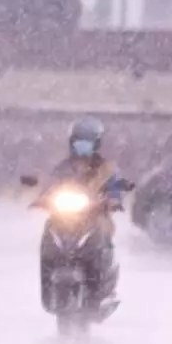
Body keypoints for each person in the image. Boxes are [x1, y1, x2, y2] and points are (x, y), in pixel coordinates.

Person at [36, 116, 127, 308]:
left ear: (96, 144)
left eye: (86, 142)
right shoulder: (62, 168)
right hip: (64, 217)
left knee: (102, 237)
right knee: (48, 234)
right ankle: (47, 283)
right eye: (79, 142)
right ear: (71, 143)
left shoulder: (106, 169)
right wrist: (43, 198)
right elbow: (49, 187)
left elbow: (115, 188)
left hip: (94, 217)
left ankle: (103, 289)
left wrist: (113, 199)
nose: (82, 146)